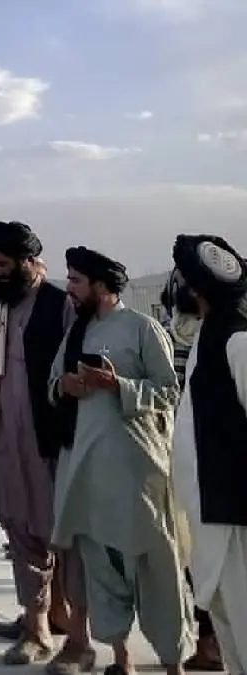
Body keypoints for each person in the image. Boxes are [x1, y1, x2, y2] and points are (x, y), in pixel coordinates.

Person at [49, 246, 193, 675]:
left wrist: (118, 386)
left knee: (156, 568)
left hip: (138, 472)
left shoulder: (143, 328)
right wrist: (66, 386)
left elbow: (169, 391)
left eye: (76, 280)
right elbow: (52, 384)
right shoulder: (76, 333)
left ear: (100, 285)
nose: (69, 288)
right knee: (103, 570)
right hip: (89, 473)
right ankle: (121, 659)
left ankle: (173, 663)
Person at [0, 221, 93, 672]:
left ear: (27, 263)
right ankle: (36, 627)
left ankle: (78, 638)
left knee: (66, 538)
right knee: (20, 533)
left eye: (3, 264)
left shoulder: (60, 306)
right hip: (7, 440)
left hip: (51, 443)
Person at [170, 234, 247, 675]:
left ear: (196, 287)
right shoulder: (208, 335)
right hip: (208, 511)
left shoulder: (238, 341)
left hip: (235, 516)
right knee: (228, 625)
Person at [161, 265, 225, 673]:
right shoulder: (166, 335)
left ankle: (216, 640)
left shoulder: (228, 335)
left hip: (218, 459)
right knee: (192, 555)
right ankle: (209, 639)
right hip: (180, 456)